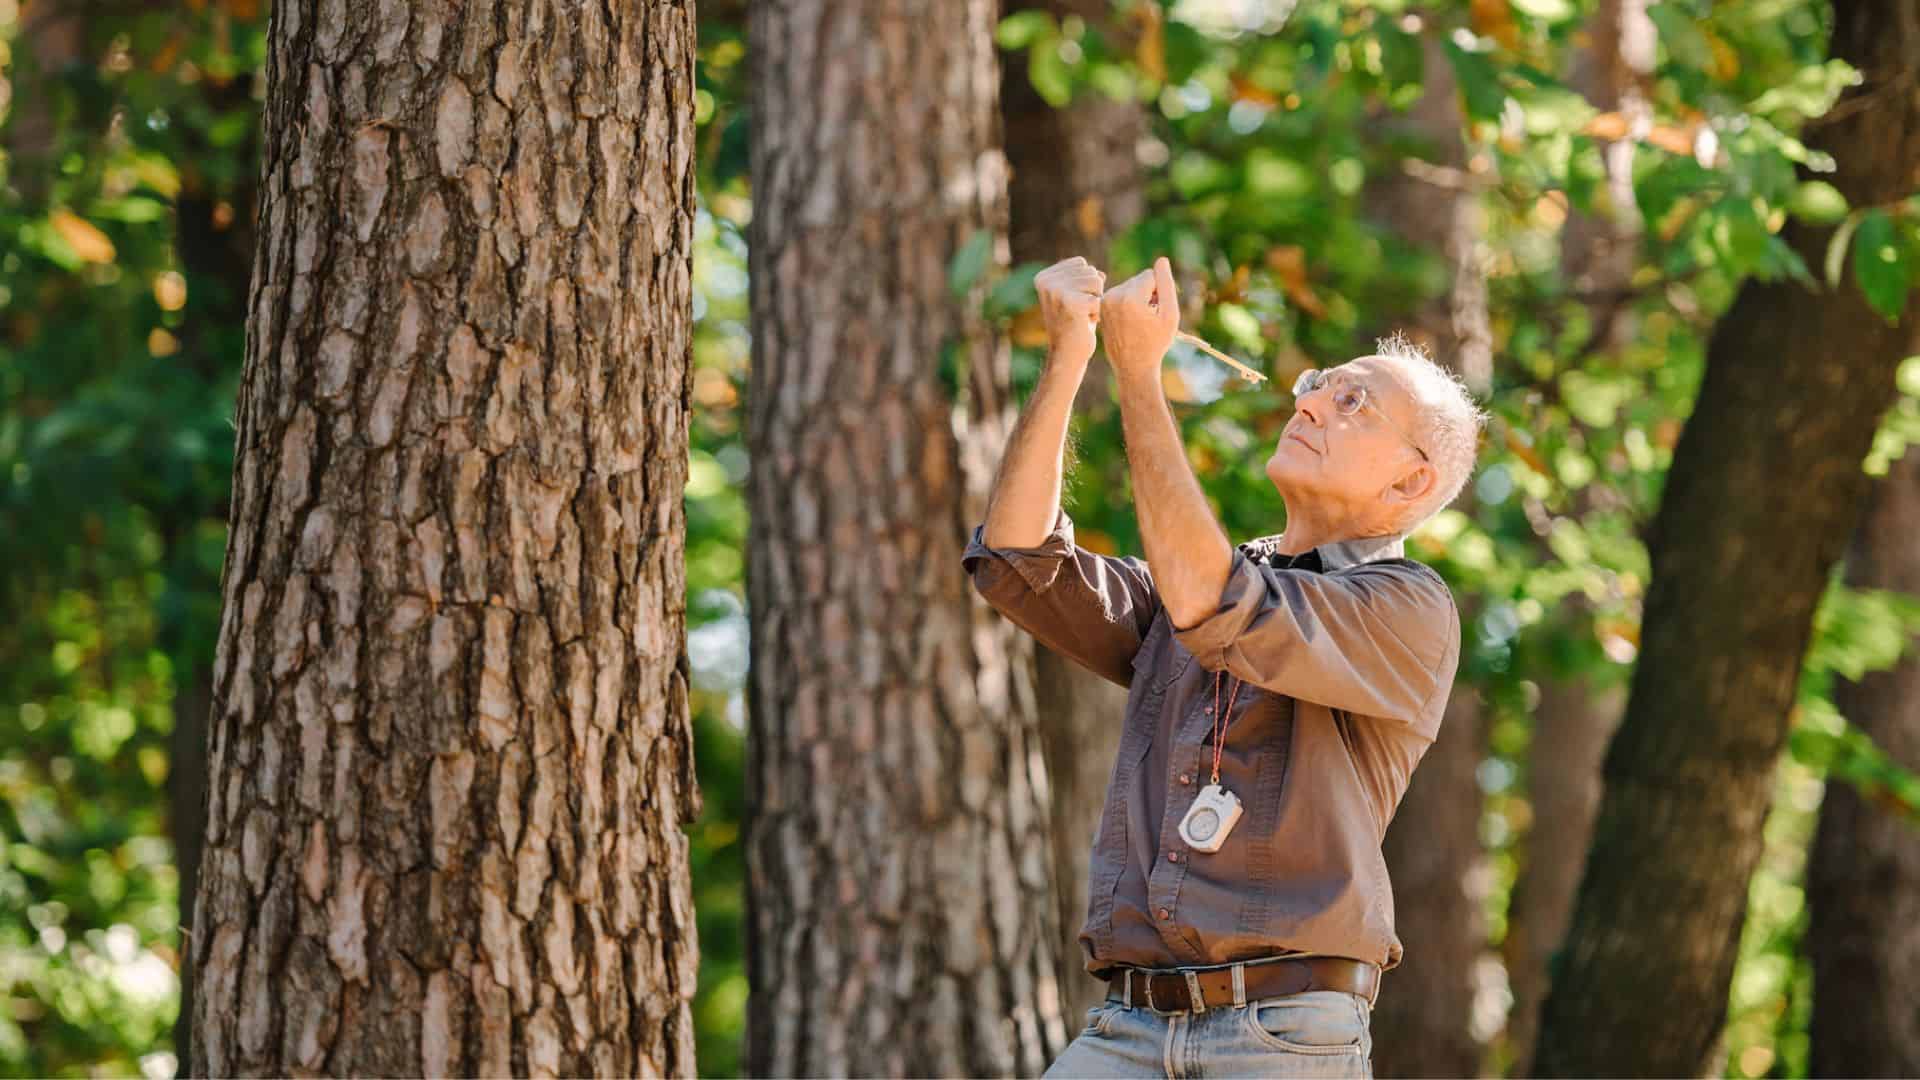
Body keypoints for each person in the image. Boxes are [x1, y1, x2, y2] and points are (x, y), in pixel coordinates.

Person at [962, 255, 1488, 1078]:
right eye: (1320, 384)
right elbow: (1018, 556)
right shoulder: (1198, 579)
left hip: (1285, 1038)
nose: (1310, 401)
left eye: (1355, 402)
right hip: (1127, 1027)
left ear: (1411, 479)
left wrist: (1140, 374)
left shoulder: (1408, 607)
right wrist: (1073, 352)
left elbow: (1213, 601)